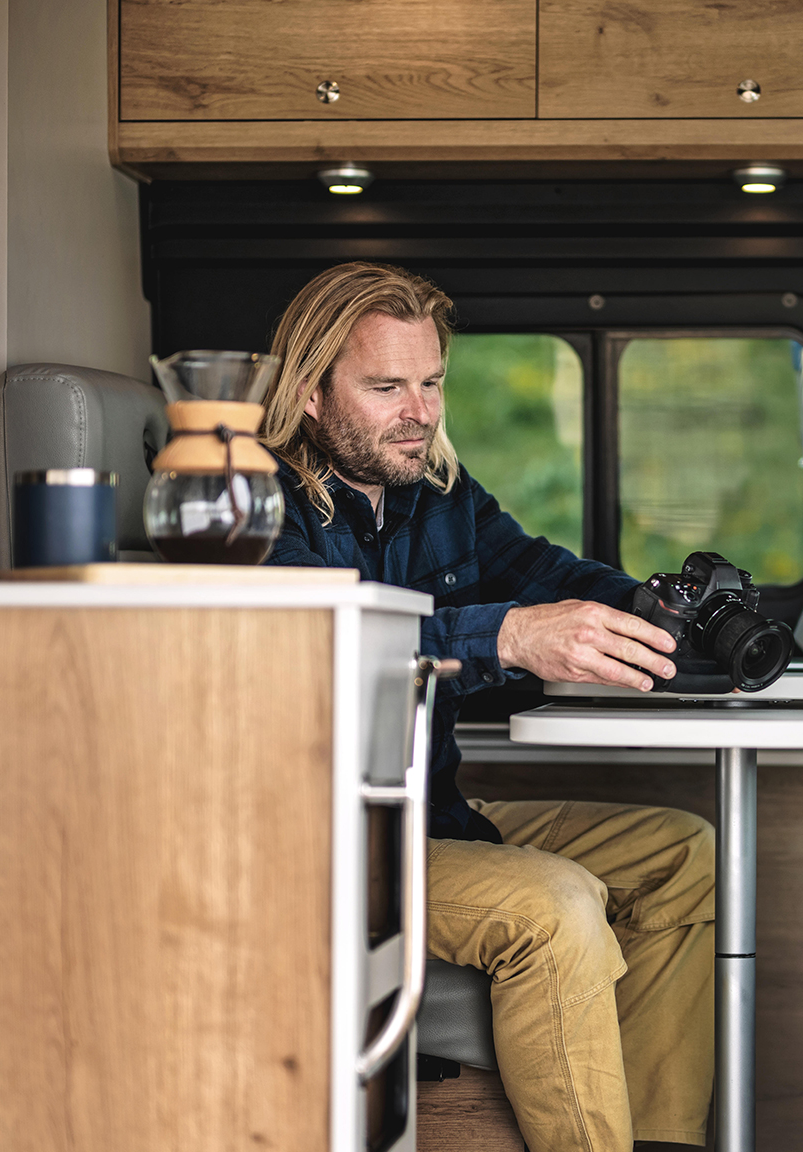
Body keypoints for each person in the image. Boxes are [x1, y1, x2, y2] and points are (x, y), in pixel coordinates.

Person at [261, 262, 715, 1152]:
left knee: (681, 853)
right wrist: (506, 638)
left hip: (428, 819)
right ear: (311, 394)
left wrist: (651, 614)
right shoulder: (256, 498)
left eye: (431, 383)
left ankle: (660, 1139)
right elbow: (313, 644)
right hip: (324, 842)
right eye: (387, 386)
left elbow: (543, 575)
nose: (420, 411)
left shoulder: (435, 493)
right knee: (555, 902)